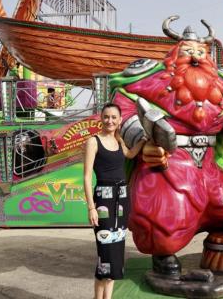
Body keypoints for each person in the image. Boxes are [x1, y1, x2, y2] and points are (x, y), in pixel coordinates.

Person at [109, 16, 223, 276]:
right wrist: (142, 143)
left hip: (209, 169)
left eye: (201, 52)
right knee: (164, 219)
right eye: (188, 51)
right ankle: (163, 253)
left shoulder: (221, 86)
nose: (195, 57)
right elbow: (123, 109)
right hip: (168, 167)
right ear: (174, 54)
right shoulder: (147, 80)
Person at [83, 103, 144, 299]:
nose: (110, 120)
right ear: (101, 118)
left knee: (117, 251)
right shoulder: (93, 141)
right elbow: (85, 177)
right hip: (103, 200)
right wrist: (91, 208)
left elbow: (130, 154)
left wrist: (144, 140)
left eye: (114, 117)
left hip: (122, 199)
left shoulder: (118, 140)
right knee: (105, 252)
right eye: (106, 117)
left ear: (119, 120)